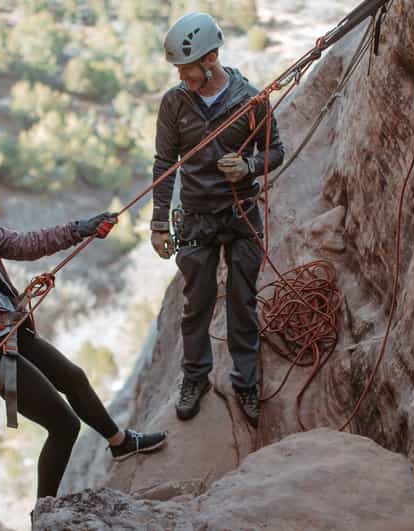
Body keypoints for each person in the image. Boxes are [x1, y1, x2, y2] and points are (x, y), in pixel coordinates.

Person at [0, 152, 167, 499]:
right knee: (64, 425)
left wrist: (80, 230)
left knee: (74, 377)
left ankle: (120, 442)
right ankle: (44, 512)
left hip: (9, 334)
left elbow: (27, 244)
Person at [150, 13, 285, 428]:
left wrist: (247, 166)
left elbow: (275, 151)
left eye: (186, 68)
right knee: (197, 304)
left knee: (243, 301)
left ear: (210, 59)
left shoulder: (250, 101)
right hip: (196, 217)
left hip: (240, 212)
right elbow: (163, 164)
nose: (181, 76)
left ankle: (246, 381)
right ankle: (195, 378)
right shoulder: (175, 103)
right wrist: (158, 224)